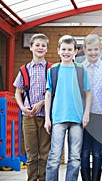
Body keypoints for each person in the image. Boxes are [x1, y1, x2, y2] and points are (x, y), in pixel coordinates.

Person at [44, 35, 92, 181]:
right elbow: (48, 94)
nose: (66, 52)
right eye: (63, 49)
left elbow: (88, 93)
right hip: (58, 118)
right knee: (54, 157)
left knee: (75, 158)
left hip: (77, 118)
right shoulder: (53, 70)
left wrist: (86, 114)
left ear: (75, 51)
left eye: (70, 49)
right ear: (58, 50)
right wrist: (47, 118)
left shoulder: (80, 70)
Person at [13, 33, 51, 181]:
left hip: (45, 116)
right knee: (31, 154)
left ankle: (42, 179)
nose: (40, 48)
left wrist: (41, 102)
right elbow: (17, 91)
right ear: (31, 47)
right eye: (37, 45)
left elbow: (53, 92)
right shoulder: (24, 70)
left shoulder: (50, 69)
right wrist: (22, 107)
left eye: (43, 45)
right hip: (28, 116)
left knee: (44, 153)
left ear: (47, 49)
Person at [80, 34, 102, 181]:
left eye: (96, 49)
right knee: (84, 151)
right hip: (82, 115)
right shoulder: (79, 68)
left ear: (100, 49)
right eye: (90, 49)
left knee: (97, 151)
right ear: (84, 50)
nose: (93, 53)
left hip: (99, 114)